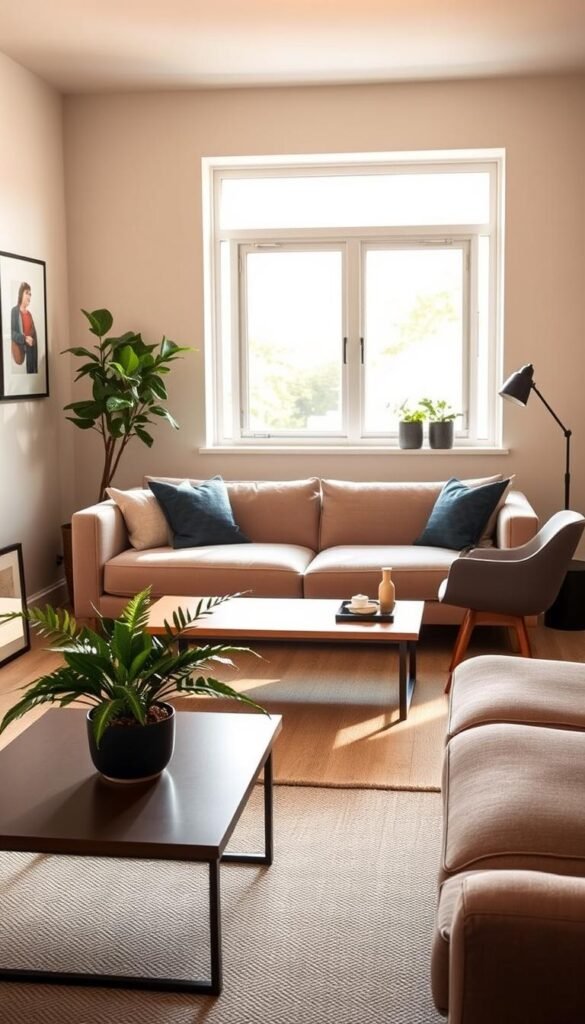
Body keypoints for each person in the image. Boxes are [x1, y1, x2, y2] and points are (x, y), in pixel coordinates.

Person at [11, 282, 38, 374]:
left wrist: (32, 341)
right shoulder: (14, 311)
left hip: (30, 355)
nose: (29, 296)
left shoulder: (29, 314)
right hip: (19, 353)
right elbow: (12, 333)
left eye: (30, 294)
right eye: (27, 293)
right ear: (21, 293)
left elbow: (34, 334)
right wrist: (24, 339)